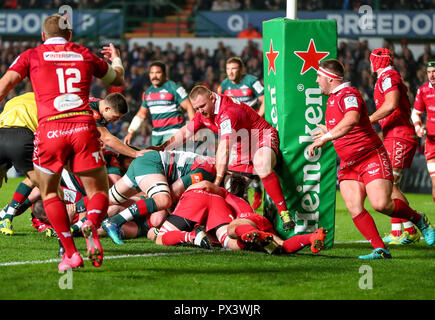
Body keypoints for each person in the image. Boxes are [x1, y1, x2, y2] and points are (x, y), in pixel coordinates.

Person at [0, 14, 125, 271]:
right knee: (98, 192)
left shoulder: (31, 55)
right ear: (70, 36)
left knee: (49, 193)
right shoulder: (84, 54)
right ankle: (90, 221)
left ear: (43, 36)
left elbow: (4, 86)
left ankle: (70, 253)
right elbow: (118, 80)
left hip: (49, 132)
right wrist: (117, 60)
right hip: (82, 128)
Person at [308, 59, 435, 259]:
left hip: (370, 157)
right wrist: (325, 131)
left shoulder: (349, 94)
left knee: (381, 204)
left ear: (330, 78)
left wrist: (326, 137)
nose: (316, 81)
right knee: (354, 206)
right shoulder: (332, 99)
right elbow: (342, 128)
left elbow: (351, 120)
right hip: (349, 164)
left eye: (318, 77)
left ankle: (419, 219)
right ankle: (380, 249)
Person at [156, 85, 294, 231]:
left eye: (202, 106)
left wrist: (217, 179)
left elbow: (224, 148)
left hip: (262, 137)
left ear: (213, 98)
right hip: (242, 148)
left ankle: (284, 213)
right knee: (231, 189)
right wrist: (164, 147)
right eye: (197, 108)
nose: (200, 111)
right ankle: (247, 225)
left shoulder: (227, 112)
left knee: (261, 164)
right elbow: (186, 132)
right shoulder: (203, 113)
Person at [0, 92, 140, 235]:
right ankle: (65, 233)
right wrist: (135, 153)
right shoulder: (92, 111)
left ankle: (9, 213)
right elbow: (107, 138)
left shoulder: (96, 106)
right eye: (115, 117)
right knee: (40, 182)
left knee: (40, 183)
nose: (115, 121)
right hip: (58, 141)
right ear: (107, 109)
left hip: (56, 141)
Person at [102, 150, 216, 244]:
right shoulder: (208, 169)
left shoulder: (207, 166)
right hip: (152, 164)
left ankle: (85, 223)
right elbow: (173, 194)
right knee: (163, 200)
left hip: (147, 163)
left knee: (107, 201)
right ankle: (115, 221)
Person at [368, 48, 419, 245]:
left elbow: (391, 104)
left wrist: (369, 120)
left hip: (400, 136)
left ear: (378, 62)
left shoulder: (389, 76)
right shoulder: (384, 77)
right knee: (389, 185)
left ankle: (413, 227)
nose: (370, 64)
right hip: (393, 135)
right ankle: (399, 231)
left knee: (389, 185)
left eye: (372, 60)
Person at [218, 56, 265, 209]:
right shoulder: (224, 85)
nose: (230, 72)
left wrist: (257, 118)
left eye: (234, 69)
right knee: (236, 164)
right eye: (228, 69)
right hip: (234, 131)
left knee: (252, 160)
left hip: (251, 128)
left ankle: (257, 187)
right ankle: (243, 197)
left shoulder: (252, 81)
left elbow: (264, 100)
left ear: (242, 70)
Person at [123, 61, 195, 146]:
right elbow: (141, 114)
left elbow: (189, 107)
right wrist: (131, 132)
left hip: (174, 132)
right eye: (152, 73)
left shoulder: (175, 88)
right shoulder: (148, 92)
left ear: (164, 74)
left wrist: (193, 130)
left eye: (158, 73)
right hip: (156, 136)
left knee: (170, 158)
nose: (154, 76)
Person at [0, 92, 39, 236]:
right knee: (40, 180)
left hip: (1, 133)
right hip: (22, 137)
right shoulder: (45, 99)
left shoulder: (14, 100)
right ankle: (7, 215)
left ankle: (4, 215)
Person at [412, 61, 435, 203]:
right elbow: (416, 113)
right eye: (429, 72)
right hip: (431, 143)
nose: (432, 75)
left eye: (434, 72)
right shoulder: (423, 90)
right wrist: (418, 128)